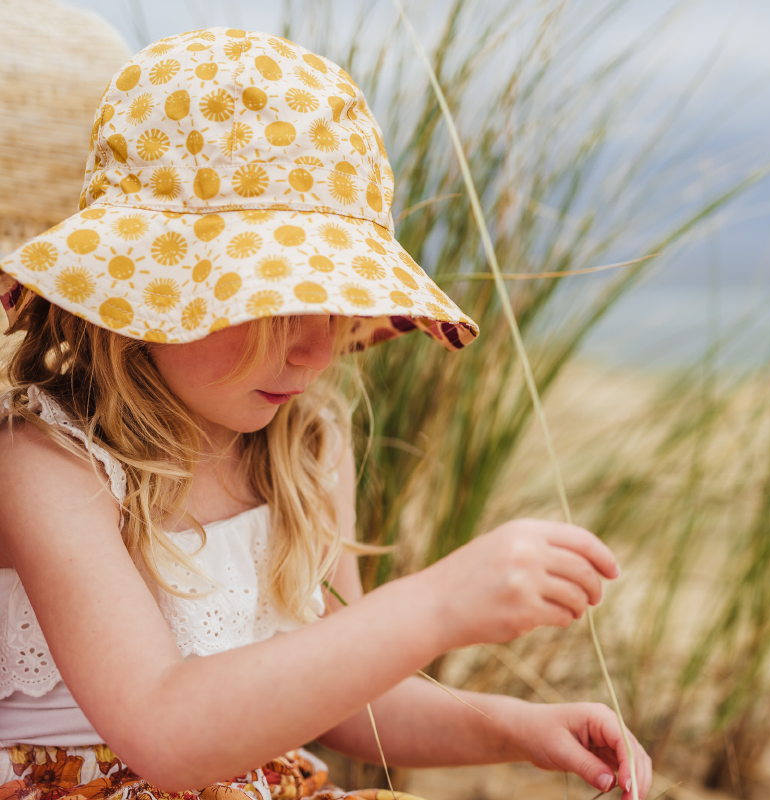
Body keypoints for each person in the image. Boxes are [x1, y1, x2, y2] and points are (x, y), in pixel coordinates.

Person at [0, 27, 652, 800]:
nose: (316, 350)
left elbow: (344, 694)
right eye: (276, 301)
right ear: (148, 292)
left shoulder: (306, 446)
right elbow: (164, 732)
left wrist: (511, 727)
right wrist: (438, 604)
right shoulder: (47, 466)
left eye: (338, 301)